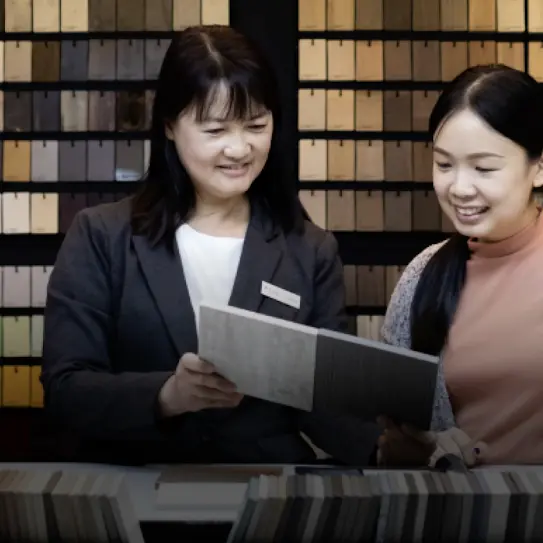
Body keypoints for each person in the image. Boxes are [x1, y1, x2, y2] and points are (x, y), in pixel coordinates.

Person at [41, 25, 381, 466]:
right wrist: (168, 395)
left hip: (267, 495)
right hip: (134, 490)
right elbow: (65, 390)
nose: (239, 149)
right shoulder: (102, 236)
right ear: (169, 125)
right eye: (215, 129)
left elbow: (325, 403)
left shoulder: (309, 248)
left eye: (256, 125)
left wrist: (385, 444)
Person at [377, 64, 543, 467]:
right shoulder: (423, 275)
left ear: (538, 166)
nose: (459, 188)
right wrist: (407, 449)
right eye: (444, 164)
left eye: (484, 168)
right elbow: (391, 443)